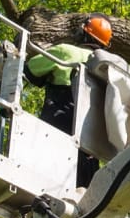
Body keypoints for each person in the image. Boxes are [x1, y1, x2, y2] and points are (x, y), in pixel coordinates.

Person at [25, 15, 116, 188]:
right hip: (89, 150)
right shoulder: (109, 71)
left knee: (42, 191)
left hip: (57, 132)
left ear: (83, 33)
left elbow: (30, 70)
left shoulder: (65, 51)